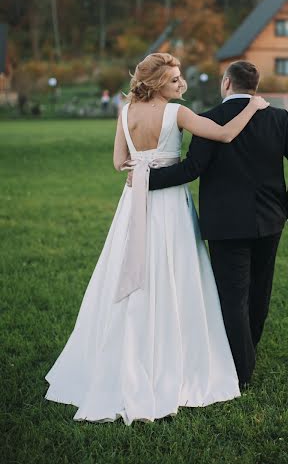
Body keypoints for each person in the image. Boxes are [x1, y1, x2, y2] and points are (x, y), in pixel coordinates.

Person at [44, 53, 268, 424]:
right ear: (158, 83)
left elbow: (119, 163)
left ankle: (122, 353)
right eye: (174, 79)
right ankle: (173, 355)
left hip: (134, 203)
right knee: (172, 271)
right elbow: (226, 133)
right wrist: (254, 106)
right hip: (168, 204)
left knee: (128, 271)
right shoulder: (177, 114)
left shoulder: (124, 112)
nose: (180, 83)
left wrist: (140, 165)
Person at [148, 60, 288, 389]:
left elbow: (191, 168)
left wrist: (146, 178)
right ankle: (246, 355)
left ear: (226, 83)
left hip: (225, 224)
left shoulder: (209, 118)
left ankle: (241, 369)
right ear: (255, 85)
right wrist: (285, 209)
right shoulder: (277, 117)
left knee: (232, 296)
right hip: (270, 221)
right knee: (259, 291)